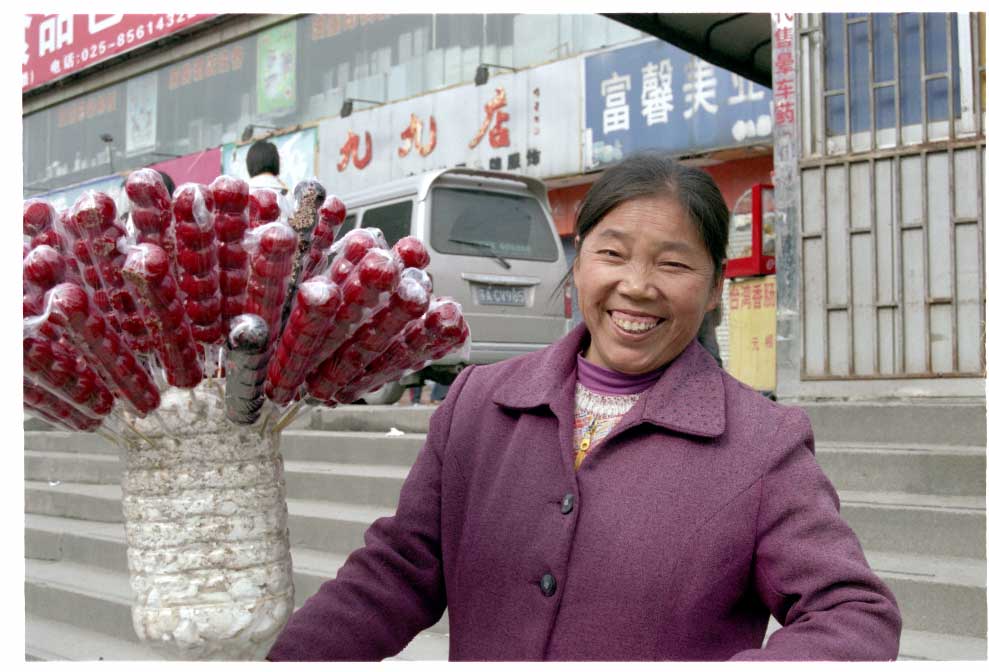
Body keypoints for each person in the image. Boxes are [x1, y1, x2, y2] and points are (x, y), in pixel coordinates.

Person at [266, 152, 901, 662]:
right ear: (579, 262)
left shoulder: (763, 441)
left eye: (673, 263)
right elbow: (397, 573)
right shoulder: (480, 403)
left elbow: (853, 615)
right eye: (612, 253)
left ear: (712, 289)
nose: (637, 285)